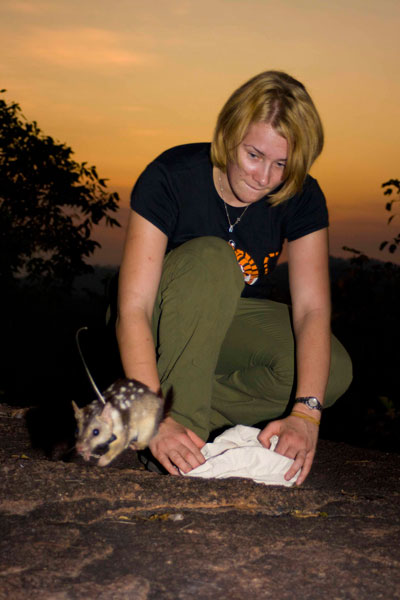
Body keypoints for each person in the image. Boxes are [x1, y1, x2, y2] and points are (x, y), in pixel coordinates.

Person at [116, 70, 352, 485]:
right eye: (254, 155)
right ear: (228, 135)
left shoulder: (300, 195)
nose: (264, 178)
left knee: (333, 372)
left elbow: (313, 310)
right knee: (214, 258)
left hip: (223, 326)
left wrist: (305, 415)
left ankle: (170, 407)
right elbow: (133, 308)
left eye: (282, 164)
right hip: (160, 320)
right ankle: (175, 442)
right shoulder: (172, 176)